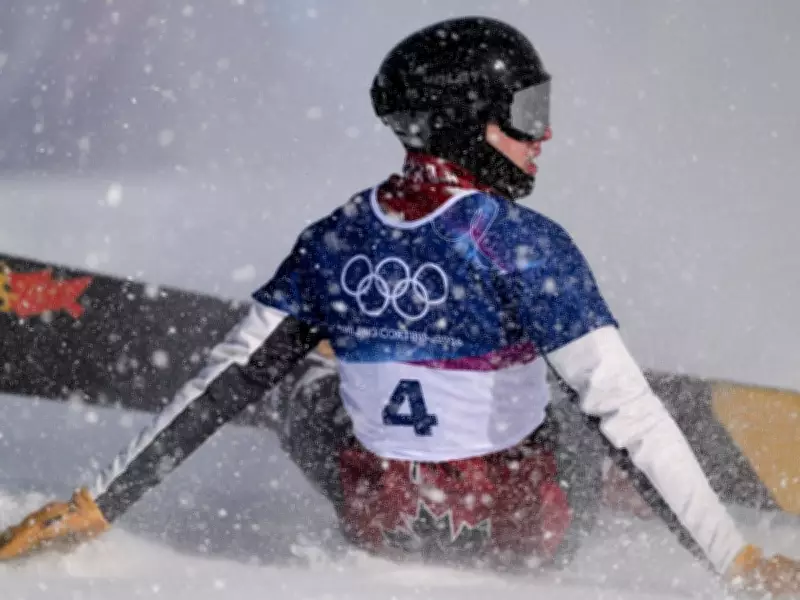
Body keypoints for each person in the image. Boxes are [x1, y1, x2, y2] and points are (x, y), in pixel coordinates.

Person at [1, 15, 799, 596]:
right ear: (465, 122)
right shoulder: (521, 243)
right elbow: (629, 411)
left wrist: (96, 505)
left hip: (378, 522)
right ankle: (593, 461)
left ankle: (340, 362)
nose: (542, 138)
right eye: (526, 115)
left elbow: (225, 381)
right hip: (527, 539)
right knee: (576, 402)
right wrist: (738, 562)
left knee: (282, 384)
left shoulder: (333, 238)